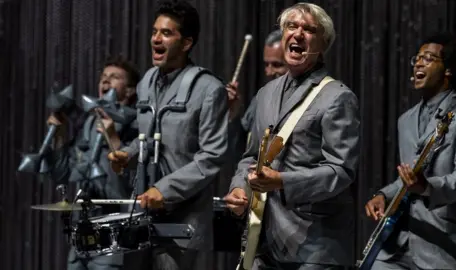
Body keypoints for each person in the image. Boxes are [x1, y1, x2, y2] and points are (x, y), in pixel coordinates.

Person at [224, 3, 360, 269]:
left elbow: (341, 172)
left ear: (323, 44)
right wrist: (239, 188)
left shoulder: (338, 97)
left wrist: (282, 181)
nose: (298, 33)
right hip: (263, 239)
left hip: (316, 247)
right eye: (291, 26)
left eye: (309, 30)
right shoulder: (266, 93)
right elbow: (251, 157)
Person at [107, 1, 229, 269]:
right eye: (154, 32)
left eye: (166, 33)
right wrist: (126, 154)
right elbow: (149, 139)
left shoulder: (209, 90)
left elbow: (211, 157)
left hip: (182, 220)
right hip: (140, 214)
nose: (156, 39)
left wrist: (164, 190)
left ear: (186, 43)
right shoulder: (146, 82)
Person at [364, 33, 456, 270]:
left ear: (448, 70)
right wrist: (383, 195)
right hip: (400, 242)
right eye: (416, 58)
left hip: (445, 245)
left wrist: (427, 187)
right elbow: (408, 177)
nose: (418, 63)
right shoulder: (405, 120)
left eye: (428, 58)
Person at [47, 55, 141, 270]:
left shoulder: (137, 124)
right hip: (82, 231)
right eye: (103, 77)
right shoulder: (90, 123)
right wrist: (59, 135)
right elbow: (64, 173)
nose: (106, 81)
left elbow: (135, 180)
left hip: (114, 235)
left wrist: (113, 139)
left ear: (129, 91)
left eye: (114, 77)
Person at [227, 29, 288, 133]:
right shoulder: (260, 99)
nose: (269, 72)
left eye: (277, 65)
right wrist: (233, 114)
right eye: (266, 65)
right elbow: (242, 145)